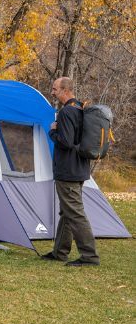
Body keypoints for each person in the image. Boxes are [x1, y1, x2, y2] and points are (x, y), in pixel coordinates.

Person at [42, 77, 100, 266]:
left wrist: (52, 131)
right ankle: (60, 252)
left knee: (74, 213)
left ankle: (89, 256)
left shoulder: (67, 111)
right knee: (67, 212)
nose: (52, 92)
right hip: (80, 168)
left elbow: (66, 142)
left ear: (65, 90)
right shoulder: (80, 108)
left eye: (55, 89)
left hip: (68, 170)